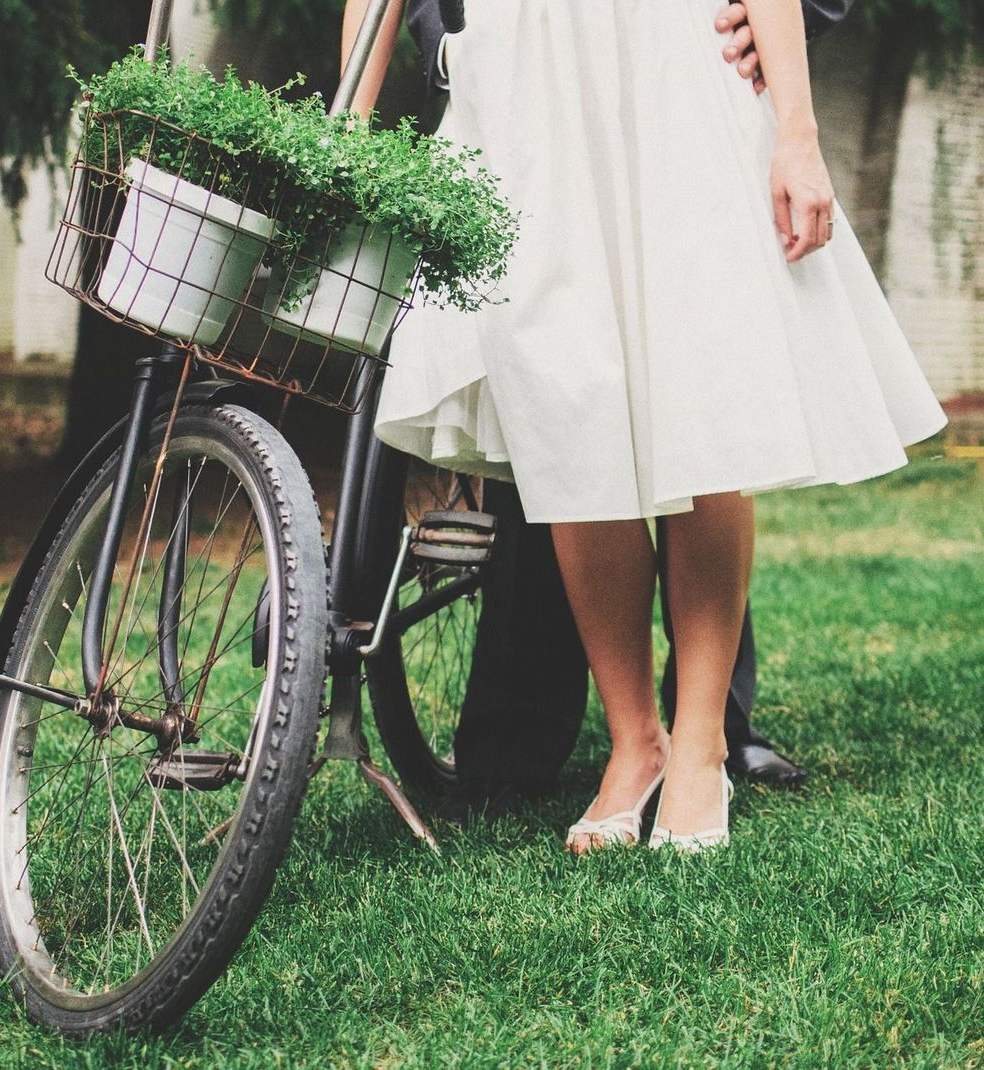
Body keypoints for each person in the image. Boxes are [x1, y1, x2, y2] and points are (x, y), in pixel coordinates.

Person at [343, 0, 947, 851]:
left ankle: (700, 746)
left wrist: (798, 132)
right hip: (520, 91)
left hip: (673, 70)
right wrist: (349, 128)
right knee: (563, 411)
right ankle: (637, 743)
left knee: (697, 397)